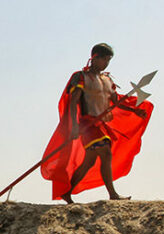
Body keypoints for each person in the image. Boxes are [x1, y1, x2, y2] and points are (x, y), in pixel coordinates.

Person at [41, 43, 153, 204]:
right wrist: (74, 126)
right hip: (88, 124)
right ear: (94, 58)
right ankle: (113, 194)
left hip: (100, 124)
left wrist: (135, 110)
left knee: (90, 161)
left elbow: (115, 101)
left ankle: (67, 191)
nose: (106, 63)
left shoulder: (106, 80)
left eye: (109, 60)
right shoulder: (80, 77)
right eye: (104, 59)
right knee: (106, 153)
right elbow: (73, 102)